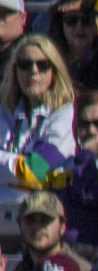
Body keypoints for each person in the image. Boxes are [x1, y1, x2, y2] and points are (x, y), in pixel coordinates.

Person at [0, 35, 74, 186]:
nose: (34, 71)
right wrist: (19, 163)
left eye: (42, 65)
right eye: (25, 64)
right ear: (15, 71)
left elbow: (39, 168)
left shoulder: (66, 115)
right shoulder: (4, 111)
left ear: (54, 71)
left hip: (41, 206)